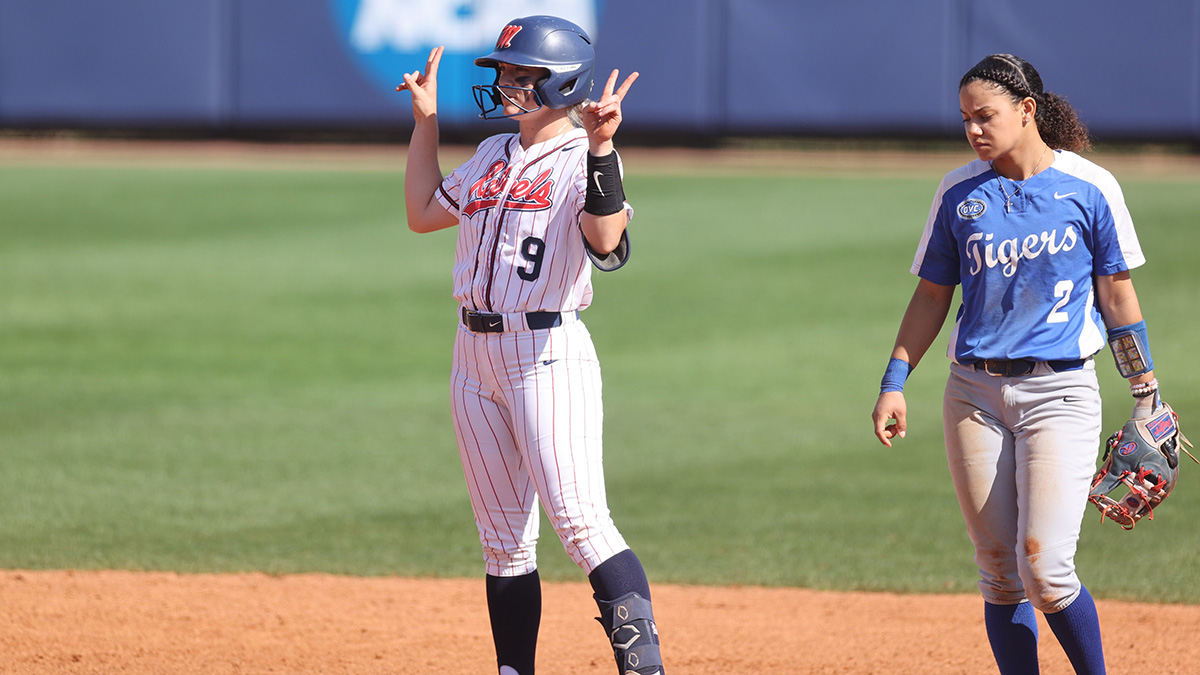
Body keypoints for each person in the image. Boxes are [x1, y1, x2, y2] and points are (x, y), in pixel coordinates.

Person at [871, 53, 1161, 675]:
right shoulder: (959, 192)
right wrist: (895, 381)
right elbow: (930, 295)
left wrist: (1146, 390)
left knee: (1048, 569)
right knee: (1000, 572)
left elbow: (1116, 295)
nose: (974, 129)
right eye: (965, 119)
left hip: (1061, 394)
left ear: (1027, 110)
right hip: (972, 394)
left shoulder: (1090, 187)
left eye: (986, 116)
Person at [397, 15, 667, 675]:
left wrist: (603, 147)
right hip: (472, 358)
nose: (506, 84)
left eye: (522, 75)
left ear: (562, 82)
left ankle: (645, 669)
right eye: (503, 73)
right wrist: (426, 121)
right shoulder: (492, 155)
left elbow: (607, 243)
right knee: (503, 543)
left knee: (580, 522)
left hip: (546, 357)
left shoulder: (583, 158)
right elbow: (423, 213)